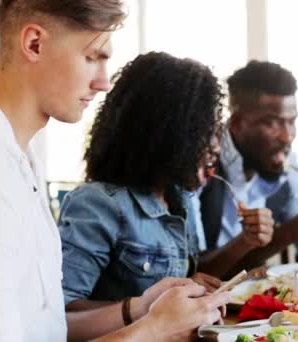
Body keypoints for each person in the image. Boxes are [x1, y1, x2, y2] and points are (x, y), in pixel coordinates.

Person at [0, 1, 229, 341]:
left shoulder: (10, 152)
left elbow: (47, 326)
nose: (103, 83)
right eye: (92, 58)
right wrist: (153, 331)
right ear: (34, 43)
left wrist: (140, 309)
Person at [60, 51, 227, 313]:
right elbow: (63, 310)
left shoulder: (177, 198)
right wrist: (148, 307)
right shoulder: (99, 204)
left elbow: (171, 284)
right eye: (204, 130)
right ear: (167, 133)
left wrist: (189, 288)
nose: (215, 145)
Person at [196, 61, 298, 278]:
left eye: (291, 121)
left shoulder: (287, 164)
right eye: (273, 123)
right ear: (237, 123)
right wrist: (288, 231)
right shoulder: (201, 166)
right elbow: (192, 273)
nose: (287, 136)